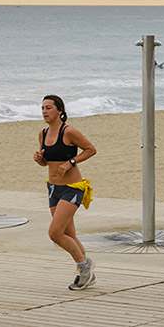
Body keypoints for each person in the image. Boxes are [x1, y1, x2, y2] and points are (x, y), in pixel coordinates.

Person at [32, 94, 98, 290]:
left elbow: (90, 149)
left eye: (49, 108)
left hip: (73, 188)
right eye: (42, 108)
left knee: (55, 233)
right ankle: (86, 274)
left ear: (60, 111)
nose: (44, 111)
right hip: (53, 188)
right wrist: (40, 160)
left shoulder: (69, 132)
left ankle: (84, 266)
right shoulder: (42, 134)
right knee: (69, 234)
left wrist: (71, 163)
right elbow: (47, 161)